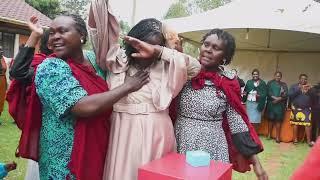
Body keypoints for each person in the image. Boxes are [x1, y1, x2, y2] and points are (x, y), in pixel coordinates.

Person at [12, 13, 148, 180]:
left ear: (82, 36)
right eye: (52, 32)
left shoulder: (93, 59)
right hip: (64, 158)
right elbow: (82, 106)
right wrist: (128, 87)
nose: (55, 37)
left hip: (97, 144)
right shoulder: (50, 68)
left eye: (63, 31)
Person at [88, 1, 201, 179]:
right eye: (143, 45)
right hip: (121, 129)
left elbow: (195, 68)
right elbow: (97, 32)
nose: (146, 52)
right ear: (133, 42)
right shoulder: (118, 60)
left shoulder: (167, 65)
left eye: (154, 46)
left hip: (155, 131)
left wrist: (159, 53)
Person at [174, 29, 267, 180]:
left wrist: (257, 164)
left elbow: (238, 124)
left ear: (225, 57)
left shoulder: (229, 82)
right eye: (206, 44)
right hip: (181, 139)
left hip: (213, 146)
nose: (208, 50)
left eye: (216, 48)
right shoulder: (185, 71)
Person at [7, 16, 52, 180]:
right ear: (49, 43)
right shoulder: (40, 65)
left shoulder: (73, 64)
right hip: (41, 127)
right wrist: (34, 35)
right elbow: (17, 72)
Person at [289, 74, 314, 146]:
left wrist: (310, 90)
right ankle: (295, 139)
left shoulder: (309, 87)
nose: (304, 80)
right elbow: (290, 95)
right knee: (295, 124)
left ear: (307, 80)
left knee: (308, 124)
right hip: (296, 108)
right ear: (299, 79)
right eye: (302, 79)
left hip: (307, 108)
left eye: (305, 79)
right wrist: (299, 89)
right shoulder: (294, 86)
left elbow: (313, 97)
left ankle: (309, 141)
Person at [266, 71, 288, 143]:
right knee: (270, 119)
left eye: (279, 76)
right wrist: (274, 98)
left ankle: (277, 136)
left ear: (281, 77)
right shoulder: (270, 83)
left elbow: (286, 94)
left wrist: (279, 99)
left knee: (278, 120)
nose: (278, 77)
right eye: (276, 76)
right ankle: (269, 134)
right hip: (271, 104)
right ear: (274, 76)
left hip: (280, 105)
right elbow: (268, 92)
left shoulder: (284, 84)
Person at [0, 46, 7, 125]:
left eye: (1, 50)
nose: (1, 52)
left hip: (2, 80)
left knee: (1, 100)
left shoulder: (2, 59)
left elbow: (4, 68)